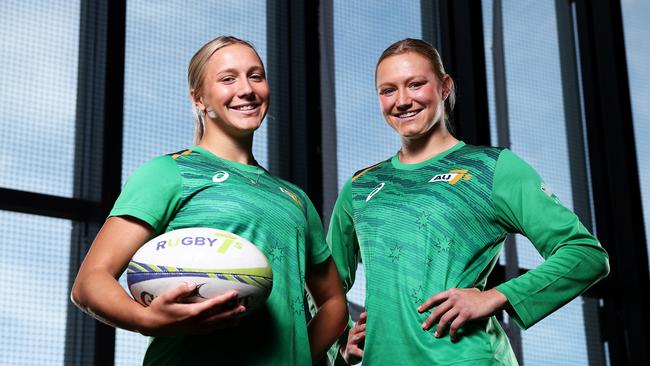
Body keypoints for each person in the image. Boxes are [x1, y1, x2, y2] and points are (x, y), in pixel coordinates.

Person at [327, 38, 610, 365]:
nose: (403, 100)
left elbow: (586, 255)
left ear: (444, 86)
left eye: (416, 84)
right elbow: (325, 285)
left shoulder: (493, 168)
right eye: (388, 90)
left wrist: (496, 296)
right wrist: (339, 340)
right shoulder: (361, 186)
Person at [71, 35, 348, 366]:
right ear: (199, 98)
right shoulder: (169, 172)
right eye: (228, 79)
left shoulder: (294, 198)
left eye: (255, 75)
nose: (246, 89)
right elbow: (90, 283)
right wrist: (147, 320)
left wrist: (296, 358)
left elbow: (333, 302)